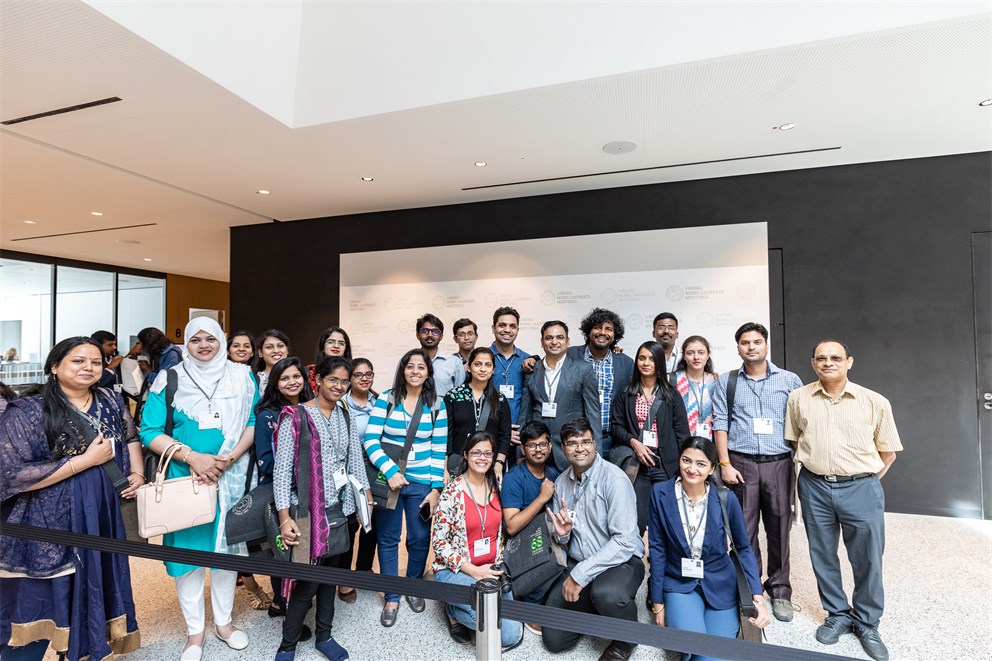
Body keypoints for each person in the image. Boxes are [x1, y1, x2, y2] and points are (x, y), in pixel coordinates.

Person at [0, 337, 141, 661]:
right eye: (78, 361)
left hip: (101, 510)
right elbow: (10, 474)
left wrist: (137, 474)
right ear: (54, 366)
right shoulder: (29, 410)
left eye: (95, 362)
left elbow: (129, 434)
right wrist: (83, 462)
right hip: (47, 515)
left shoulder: (108, 399)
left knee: (93, 584)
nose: (88, 367)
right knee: (40, 593)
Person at [139, 318, 258, 661]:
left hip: (229, 478)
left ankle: (224, 623)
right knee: (189, 561)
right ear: (185, 344)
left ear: (221, 340)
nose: (204, 345)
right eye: (196, 340)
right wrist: (194, 458)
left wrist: (229, 458)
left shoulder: (241, 375)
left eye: (211, 339)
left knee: (225, 556)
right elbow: (149, 431)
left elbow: (252, 420)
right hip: (185, 480)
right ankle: (195, 633)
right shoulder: (170, 377)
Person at [786, 340, 902, 661]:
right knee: (822, 553)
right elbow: (795, 441)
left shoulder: (874, 401)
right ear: (813, 363)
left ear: (849, 361)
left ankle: (866, 622)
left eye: (835, 357)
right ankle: (837, 614)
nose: (828, 363)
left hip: (861, 487)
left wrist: (863, 483)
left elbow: (887, 453)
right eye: (821, 358)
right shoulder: (799, 399)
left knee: (867, 558)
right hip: (814, 486)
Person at [273, 356, 371, 661]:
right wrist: (285, 517)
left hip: (338, 510)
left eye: (345, 381)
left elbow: (355, 457)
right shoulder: (296, 416)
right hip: (305, 513)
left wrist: (364, 495)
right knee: (307, 581)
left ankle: (324, 637)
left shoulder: (345, 415)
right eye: (333, 380)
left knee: (330, 578)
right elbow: (281, 471)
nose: (339, 387)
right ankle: (288, 644)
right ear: (318, 381)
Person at [647, 437, 771, 660]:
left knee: (711, 656)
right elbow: (657, 549)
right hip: (679, 583)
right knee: (692, 646)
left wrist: (758, 598)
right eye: (686, 460)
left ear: (712, 468)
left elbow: (743, 548)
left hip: (720, 584)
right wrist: (658, 603)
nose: (692, 469)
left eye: (701, 464)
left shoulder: (725, 498)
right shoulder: (660, 493)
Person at [711, 322, 802, 623]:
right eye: (745, 342)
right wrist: (724, 464)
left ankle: (779, 591)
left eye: (757, 342)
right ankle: (751, 590)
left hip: (779, 462)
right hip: (742, 463)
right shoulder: (726, 381)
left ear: (766, 345)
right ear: (737, 347)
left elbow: (801, 424)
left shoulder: (790, 381)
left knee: (779, 528)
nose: (751, 347)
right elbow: (720, 424)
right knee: (744, 531)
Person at [543, 418, 644, 661]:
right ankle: (598, 607)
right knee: (554, 639)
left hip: (621, 561)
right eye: (572, 443)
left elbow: (624, 542)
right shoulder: (561, 482)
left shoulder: (614, 480)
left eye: (585, 441)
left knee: (607, 594)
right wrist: (563, 532)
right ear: (563, 448)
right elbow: (562, 539)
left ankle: (627, 638)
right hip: (581, 562)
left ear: (595, 444)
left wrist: (580, 576)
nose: (580, 448)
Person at [363, 348, 447, 627]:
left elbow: (438, 449)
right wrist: (389, 471)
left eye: (420, 367)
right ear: (402, 370)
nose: (414, 371)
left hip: (422, 485)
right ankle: (392, 595)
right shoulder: (386, 399)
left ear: (428, 373)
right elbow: (371, 441)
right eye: (409, 366)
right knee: (388, 539)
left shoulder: (436, 404)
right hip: (389, 483)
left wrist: (436, 488)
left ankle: (412, 586)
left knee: (420, 538)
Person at [431, 431, 524, 651]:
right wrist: (474, 570)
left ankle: (462, 608)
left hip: (492, 571)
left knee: (509, 636)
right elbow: (439, 543)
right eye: (476, 452)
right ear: (466, 455)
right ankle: (452, 611)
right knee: (490, 622)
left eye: (487, 453)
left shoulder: (497, 487)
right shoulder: (452, 492)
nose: (482, 458)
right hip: (456, 570)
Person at [253, 357, 314, 619]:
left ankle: (294, 602)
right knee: (283, 552)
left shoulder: (312, 409)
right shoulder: (268, 415)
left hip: (310, 493)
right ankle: (282, 603)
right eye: (285, 378)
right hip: (281, 494)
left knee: (304, 550)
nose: (292, 382)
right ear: (276, 383)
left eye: (296, 376)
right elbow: (265, 460)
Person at [610, 341, 691, 534]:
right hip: (637, 465)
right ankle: (635, 562)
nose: (646, 363)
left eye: (652, 359)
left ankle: (660, 562)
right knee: (637, 521)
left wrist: (683, 466)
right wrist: (633, 442)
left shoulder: (671, 395)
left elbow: (682, 433)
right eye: (642, 358)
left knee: (666, 521)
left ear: (660, 364)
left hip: (665, 464)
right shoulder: (626, 392)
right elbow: (616, 427)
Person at [519, 321, 602, 472]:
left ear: (567, 341)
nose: (554, 342)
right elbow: (525, 413)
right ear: (542, 342)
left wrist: (596, 455)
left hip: (572, 450)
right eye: (549, 338)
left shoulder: (583, 369)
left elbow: (593, 414)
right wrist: (520, 452)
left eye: (560, 337)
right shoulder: (532, 369)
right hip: (539, 451)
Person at [501, 421, 561, 623]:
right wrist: (542, 498)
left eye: (543, 444)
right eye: (532, 445)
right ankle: (529, 607)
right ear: (523, 449)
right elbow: (511, 526)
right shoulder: (514, 478)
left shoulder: (554, 474)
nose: (538, 450)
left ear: (550, 447)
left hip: (547, 538)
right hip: (520, 547)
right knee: (559, 559)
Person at [340, 358, 379, 597]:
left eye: (368, 374)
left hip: (375, 469)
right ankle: (344, 578)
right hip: (349, 472)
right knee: (350, 524)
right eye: (358, 375)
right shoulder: (341, 404)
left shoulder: (379, 402)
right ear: (350, 379)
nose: (364, 379)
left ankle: (364, 568)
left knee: (372, 522)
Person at [570, 307, 634, 455]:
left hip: (609, 440)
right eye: (597, 327)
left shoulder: (625, 363)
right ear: (588, 331)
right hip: (576, 438)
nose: (603, 332)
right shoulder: (571, 355)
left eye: (609, 329)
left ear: (614, 334)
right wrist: (533, 359)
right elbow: (549, 361)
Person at [443, 347, 512, 480]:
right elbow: (446, 434)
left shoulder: (500, 400)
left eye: (488, 365)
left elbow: (505, 436)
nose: (482, 369)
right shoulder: (452, 397)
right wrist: (444, 468)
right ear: (469, 367)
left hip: (488, 464)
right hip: (458, 464)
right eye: (477, 364)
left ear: (493, 370)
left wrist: (498, 464)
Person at [489, 307, 533, 451]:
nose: (507, 330)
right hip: (489, 433)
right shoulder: (482, 359)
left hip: (520, 436)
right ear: (493, 328)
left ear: (518, 330)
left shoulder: (527, 360)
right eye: (502, 325)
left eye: (512, 326)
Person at [672, 335, 719, 439]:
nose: (696, 357)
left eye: (701, 353)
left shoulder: (716, 381)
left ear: (708, 355)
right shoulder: (673, 380)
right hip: (680, 441)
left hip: (709, 443)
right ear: (683, 356)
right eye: (690, 353)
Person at [413, 313, 464, 397]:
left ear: (441, 336)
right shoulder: (408, 361)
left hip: (444, 410)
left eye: (435, 331)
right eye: (425, 331)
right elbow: (398, 392)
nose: (430, 335)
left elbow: (460, 397)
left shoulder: (454, 363)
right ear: (418, 335)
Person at [308, 327, 352, 392]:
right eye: (331, 342)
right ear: (323, 346)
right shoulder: (309, 372)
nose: (336, 346)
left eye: (341, 343)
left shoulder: (353, 373)